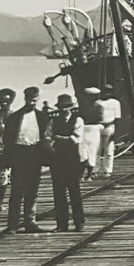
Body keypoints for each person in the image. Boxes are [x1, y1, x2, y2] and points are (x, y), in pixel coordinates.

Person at [2, 86, 49, 233]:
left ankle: (30, 222)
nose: (32, 103)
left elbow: (47, 136)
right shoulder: (14, 117)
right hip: (19, 154)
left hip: (34, 153)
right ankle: (12, 224)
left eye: (35, 100)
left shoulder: (42, 117)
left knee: (32, 190)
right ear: (25, 99)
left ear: (38, 99)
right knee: (16, 190)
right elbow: (7, 139)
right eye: (29, 100)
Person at [46, 94, 86, 232]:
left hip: (72, 159)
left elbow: (76, 138)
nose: (64, 109)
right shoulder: (53, 121)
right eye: (62, 107)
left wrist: (58, 138)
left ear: (71, 107)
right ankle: (61, 224)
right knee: (58, 192)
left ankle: (79, 223)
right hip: (57, 159)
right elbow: (48, 136)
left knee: (74, 191)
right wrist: (64, 138)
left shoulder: (78, 119)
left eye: (67, 107)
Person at [78, 87, 103, 182]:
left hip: (91, 129)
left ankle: (87, 175)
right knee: (85, 153)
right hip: (88, 129)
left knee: (89, 152)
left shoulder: (85, 107)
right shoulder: (98, 107)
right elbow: (100, 118)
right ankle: (84, 176)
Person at [95, 85, 121, 176]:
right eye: (104, 91)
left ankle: (108, 170)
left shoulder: (116, 103)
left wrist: (116, 133)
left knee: (109, 150)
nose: (106, 93)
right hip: (98, 126)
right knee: (96, 150)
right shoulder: (97, 103)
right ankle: (95, 170)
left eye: (108, 91)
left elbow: (117, 118)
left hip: (110, 126)